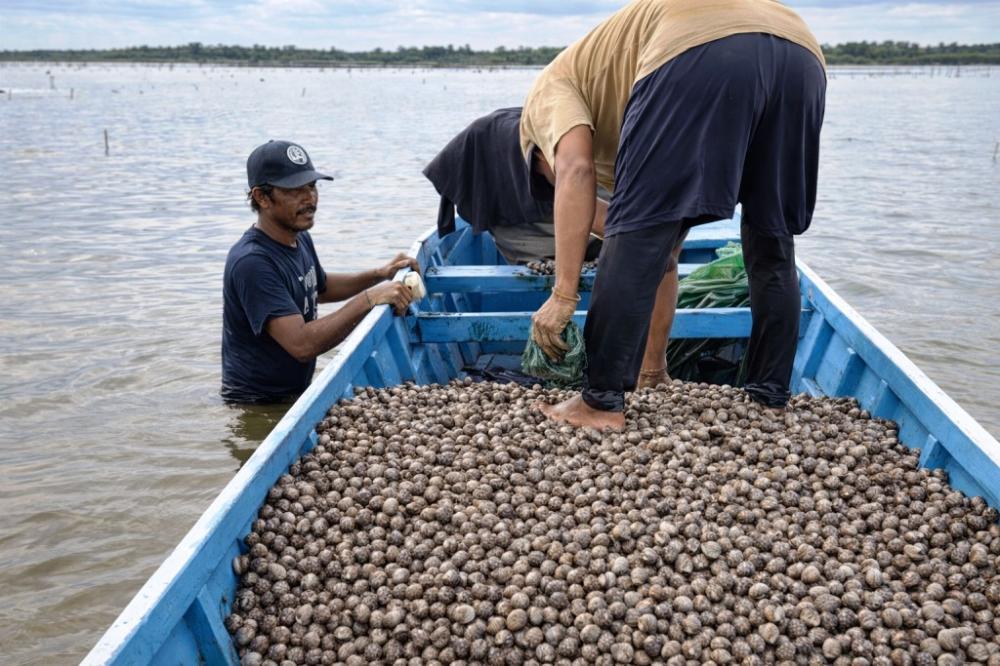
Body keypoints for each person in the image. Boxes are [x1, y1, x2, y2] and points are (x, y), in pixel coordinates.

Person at [521, 0, 827, 430]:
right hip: (803, 55)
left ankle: (600, 404)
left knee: (635, 225)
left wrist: (564, 294)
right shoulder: (607, 69)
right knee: (772, 238)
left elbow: (575, 170)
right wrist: (653, 369)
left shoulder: (546, 91)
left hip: (698, 47)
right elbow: (667, 232)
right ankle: (768, 397)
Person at [424, 107, 684, 388]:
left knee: (647, 239)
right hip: (518, 149)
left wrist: (653, 245)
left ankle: (653, 369)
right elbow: (586, 202)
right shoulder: (551, 152)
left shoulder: (641, 145)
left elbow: (653, 221)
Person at [222, 140, 417, 404]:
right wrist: (370, 298)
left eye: (312, 186)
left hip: (295, 394)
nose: (309, 198)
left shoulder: (298, 237)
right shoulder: (252, 262)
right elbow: (301, 345)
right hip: (256, 404)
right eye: (294, 190)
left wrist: (380, 273)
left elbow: (320, 287)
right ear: (262, 197)